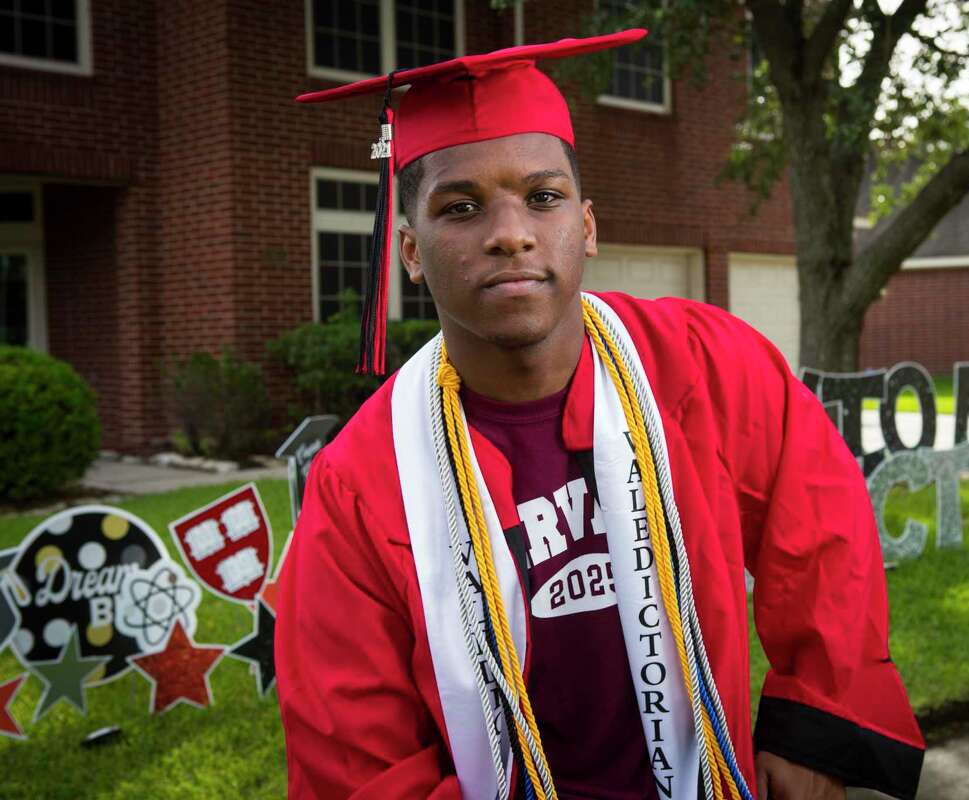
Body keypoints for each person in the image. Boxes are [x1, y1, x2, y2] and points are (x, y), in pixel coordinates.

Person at [276, 29, 924, 800]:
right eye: (462, 207)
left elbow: (820, 526)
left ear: (586, 226)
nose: (510, 233)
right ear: (411, 251)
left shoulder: (705, 364)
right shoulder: (361, 481)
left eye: (542, 198)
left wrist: (814, 722)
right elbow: (353, 751)